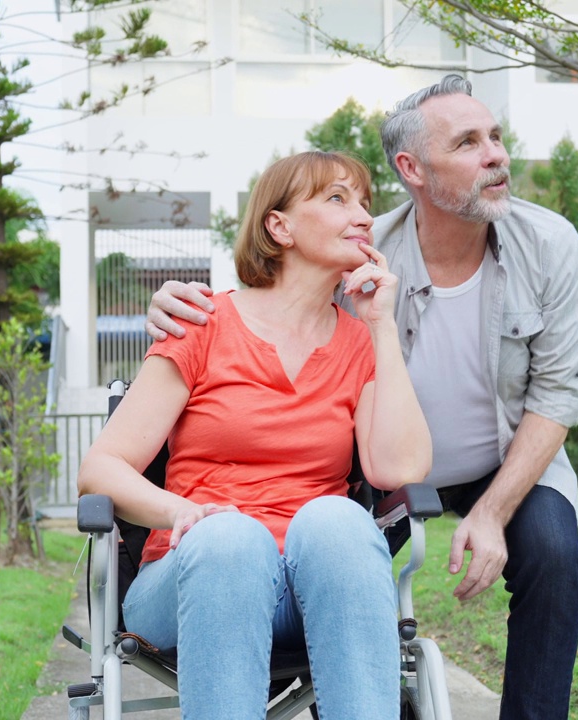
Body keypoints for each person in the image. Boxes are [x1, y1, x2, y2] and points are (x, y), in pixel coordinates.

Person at [147, 75, 578, 719]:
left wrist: (494, 512)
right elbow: (268, 299)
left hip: (510, 458)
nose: (495, 154)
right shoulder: (360, 247)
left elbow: (557, 394)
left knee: (554, 559)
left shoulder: (549, 245)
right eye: (468, 142)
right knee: (334, 548)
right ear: (412, 168)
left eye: (494, 137)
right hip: (383, 472)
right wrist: (169, 305)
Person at [78, 151, 432, 720]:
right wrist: (184, 514)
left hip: (311, 586)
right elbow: (101, 468)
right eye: (338, 199)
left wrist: (382, 326)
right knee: (232, 540)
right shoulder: (201, 324)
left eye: (365, 201)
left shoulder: (360, 342)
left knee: (339, 518)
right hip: (194, 576)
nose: (364, 215)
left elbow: (400, 470)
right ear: (279, 225)